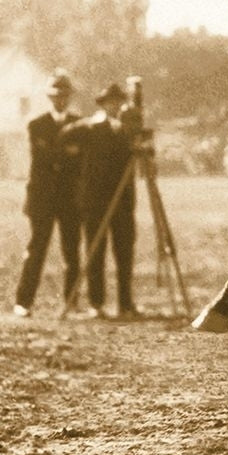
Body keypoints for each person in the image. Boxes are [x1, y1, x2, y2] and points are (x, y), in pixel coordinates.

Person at [60, 83, 138, 320]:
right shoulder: (90, 127)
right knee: (95, 253)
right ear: (103, 105)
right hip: (95, 202)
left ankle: (125, 304)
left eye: (118, 102)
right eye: (110, 102)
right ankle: (97, 303)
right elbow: (64, 137)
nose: (115, 106)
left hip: (123, 202)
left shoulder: (127, 128)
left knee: (124, 253)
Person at [13, 70, 82, 317]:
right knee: (36, 250)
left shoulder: (80, 124)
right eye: (55, 95)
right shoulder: (37, 125)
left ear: (70, 97)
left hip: (70, 199)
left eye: (64, 95)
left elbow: (76, 160)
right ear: (49, 97)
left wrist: (61, 156)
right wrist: (66, 154)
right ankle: (23, 301)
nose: (60, 100)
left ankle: (71, 302)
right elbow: (44, 159)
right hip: (42, 200)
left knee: (72, 251)